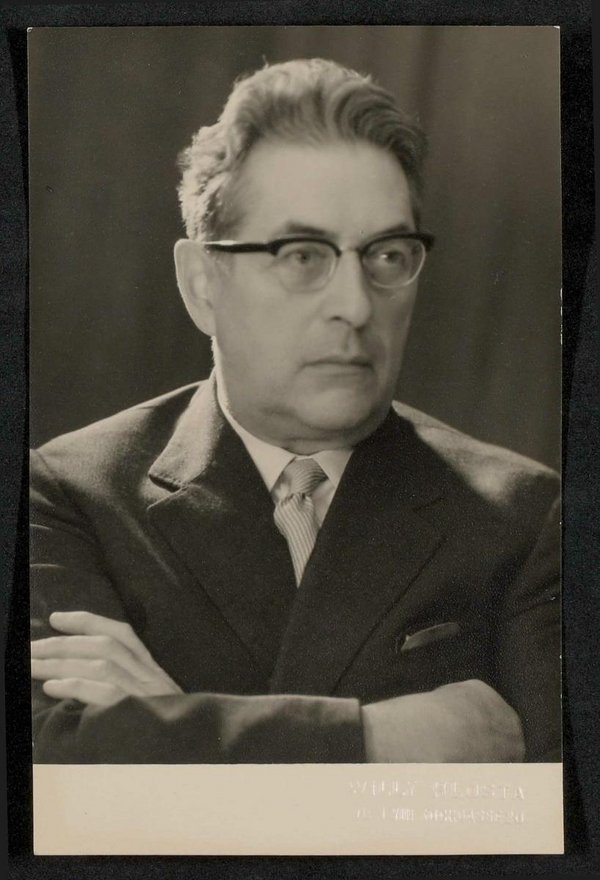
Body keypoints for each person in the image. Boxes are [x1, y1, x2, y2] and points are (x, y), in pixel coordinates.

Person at [30, 58, 560, 764]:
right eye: (303, 255)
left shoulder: (524, 517)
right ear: (201, 283)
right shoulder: (69, 494)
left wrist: (170, 725)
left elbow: (552, 807)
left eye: (387, 254)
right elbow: (53, 772)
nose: (356, 306)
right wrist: (380, 737)